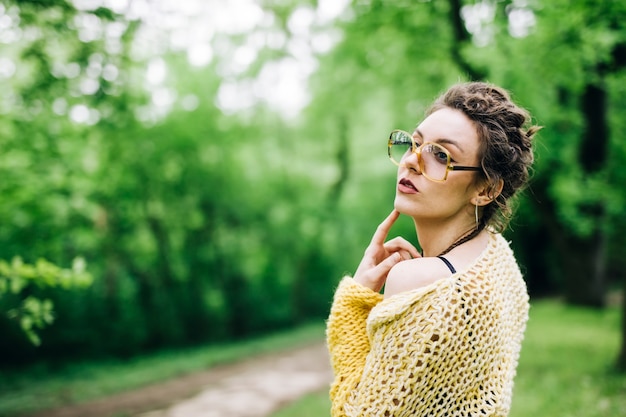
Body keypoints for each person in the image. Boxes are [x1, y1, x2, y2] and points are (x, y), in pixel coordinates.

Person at [326, 81, 540, 417]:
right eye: (415, 144)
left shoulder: (418, 282)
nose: (411, 162)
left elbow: (361, 412)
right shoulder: (497, 259)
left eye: (441, 155)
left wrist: (352, 307)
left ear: (485, 190)